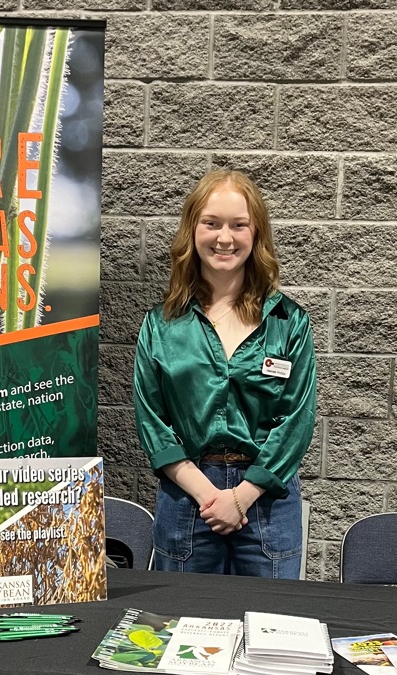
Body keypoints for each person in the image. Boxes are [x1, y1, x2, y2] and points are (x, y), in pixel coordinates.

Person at [132, 169, 317, 578]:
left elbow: (297, 421)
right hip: (186, 499)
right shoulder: (161, 325)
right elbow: (152, 421)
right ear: (192, 230)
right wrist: (210, 495)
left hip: (267, 499)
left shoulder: (289, 322)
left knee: (270, 629)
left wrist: (242, 497)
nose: (224, 238)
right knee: (181, 628)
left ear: (257, 234)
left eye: (239, 225)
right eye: (211, 223)